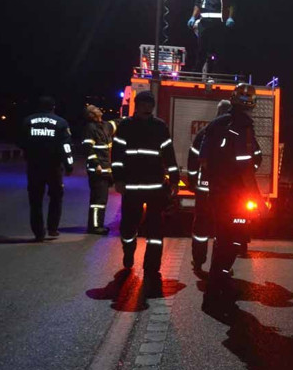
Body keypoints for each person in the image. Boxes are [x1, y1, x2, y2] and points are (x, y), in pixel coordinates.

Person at [199, 84, 264, 297]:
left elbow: (204, 159)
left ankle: (217, 280)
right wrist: (257, 197)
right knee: (234, 237)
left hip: (219, 193)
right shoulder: (243, 125)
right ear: (252, 104)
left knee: (223, 237)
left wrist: (215, 182)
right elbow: (246, 164)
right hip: (236, 194)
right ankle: (220, 280)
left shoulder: (216, 124)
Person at [111, 91, 179, 293]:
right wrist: (118, 178)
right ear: (137, 105)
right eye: (143, 104)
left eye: (150, 104)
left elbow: (168, 152)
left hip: (155, 187)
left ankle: (151, 269)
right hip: (131, 185)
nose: (147, 107)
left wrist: (174, 179)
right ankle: (129, 250)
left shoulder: (160, 126)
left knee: (155, 230)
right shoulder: (126, 126)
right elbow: (117, 154)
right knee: (128, 226)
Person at [17, 96, 74, 241]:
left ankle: (38, 232)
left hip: (34, 166)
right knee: (56, 197)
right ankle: (52, 228)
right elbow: (66, 146)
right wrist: (69, 165)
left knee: (35, 200)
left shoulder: (28, 121)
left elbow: (20, 141)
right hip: (54, 167)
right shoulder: (60, 122)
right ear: (53, 107)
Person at [187, 99, 232, 271]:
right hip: (227, 190)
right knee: (224, 227)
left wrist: (192, 182)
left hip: (205, 187)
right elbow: (252, 158)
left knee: (201, 225)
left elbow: (193, 159)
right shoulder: (237, 133)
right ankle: (220, 265)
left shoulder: (205, 132)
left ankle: (198, 260)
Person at [187, 0, 235, 74]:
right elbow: (198, 2)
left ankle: (218, 75)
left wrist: (230, 17)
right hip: (204, 22)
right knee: (201, 50)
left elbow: (231, 2)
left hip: (219, 22)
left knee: (219, 51)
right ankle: (197, 74)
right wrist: (193, 17)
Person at [82, 105, 118, 235]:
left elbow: (116, 123)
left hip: (105, 170)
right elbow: (87, 148)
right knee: (98, 200)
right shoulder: (90, 128)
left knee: (101, 199)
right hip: (97, 170)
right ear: (91, 114)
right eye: (95, 109)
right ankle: (95, 226)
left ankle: (97, 224)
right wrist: (96, 163)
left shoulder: (104, 126)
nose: (99, 109)